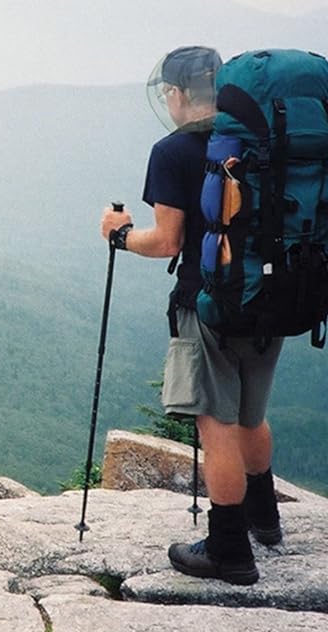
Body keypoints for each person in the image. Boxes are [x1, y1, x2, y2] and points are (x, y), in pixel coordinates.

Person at [100, 46, 283, 586]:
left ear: (177, 94)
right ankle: (265, 520)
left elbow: (167, 242)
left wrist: (120, 236)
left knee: (215, 421)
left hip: (209, 303)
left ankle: (229, 551)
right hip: (271, 296)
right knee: (250, 413)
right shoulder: (261, 139)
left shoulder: (173, 150)